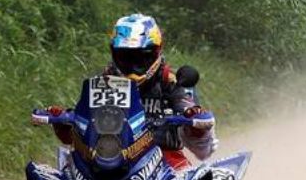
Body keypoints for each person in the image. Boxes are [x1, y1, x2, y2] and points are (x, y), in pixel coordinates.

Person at [40, 13, 217, 169]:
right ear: (114, 54)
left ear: (157, 52)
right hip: (108, 157)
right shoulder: (104, 81)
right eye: (126, 57)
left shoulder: (170, 81)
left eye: (142, 57)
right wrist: (64, 120)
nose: (133, 66)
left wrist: (193, 117)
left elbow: (199, 137)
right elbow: (80, 129)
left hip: (164, 158)